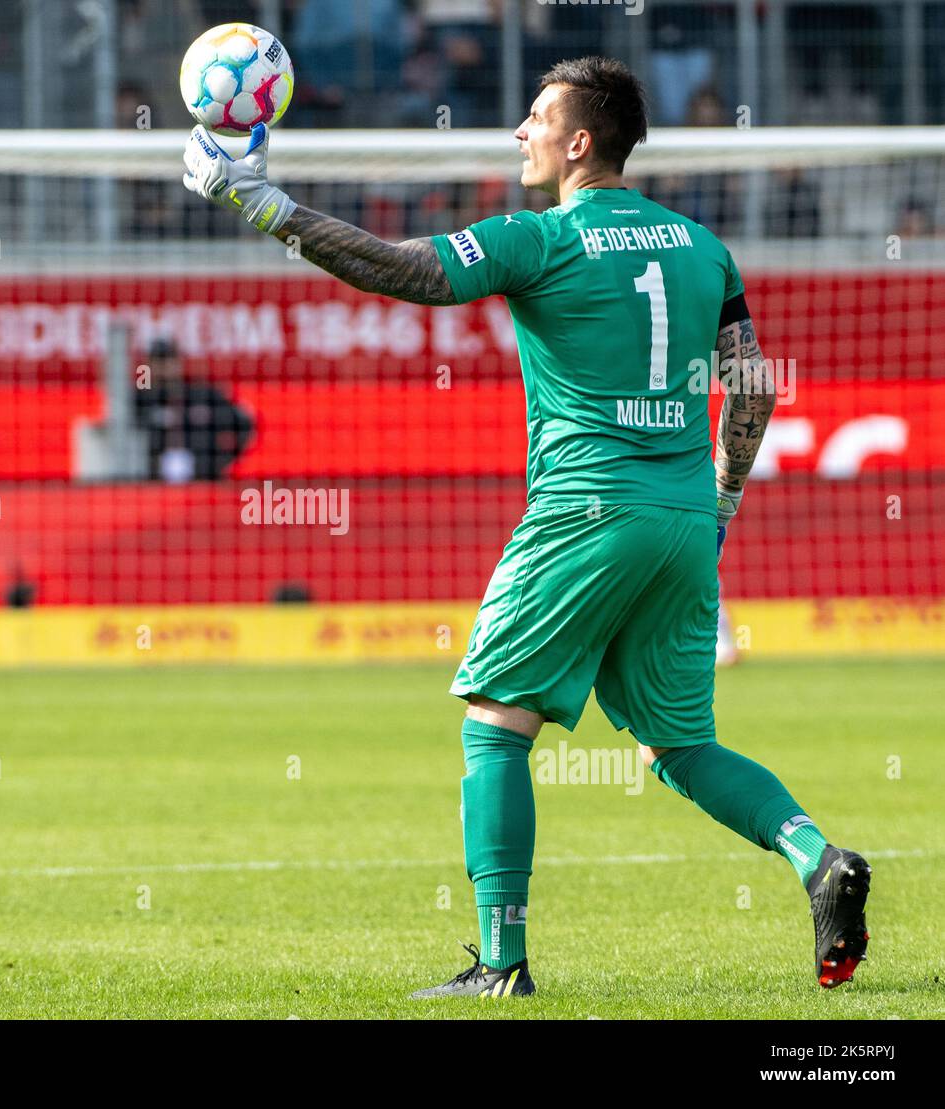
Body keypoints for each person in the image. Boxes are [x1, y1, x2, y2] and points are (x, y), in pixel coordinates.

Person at [182, 55, 871, 998]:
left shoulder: (542, 238)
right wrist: (719, 502)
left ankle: (501, 963)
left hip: (582, 510)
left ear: (579, 142)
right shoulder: (704, 247)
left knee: (495, 725)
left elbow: (405, 270)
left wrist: (267, 206)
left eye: (536, 118)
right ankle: (816, 856)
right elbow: (750, 382)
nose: (520, 133)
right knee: (677, 746)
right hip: (680, 516)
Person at [133, 338, 254, 482]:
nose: (163, 368)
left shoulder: (202, 395)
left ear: (178, 363)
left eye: (168, 361)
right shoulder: (139, 400)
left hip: (202, 482)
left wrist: (217, 462)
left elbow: (243, 423)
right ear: (149, 366)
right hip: (152, 484)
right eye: (158, 362)